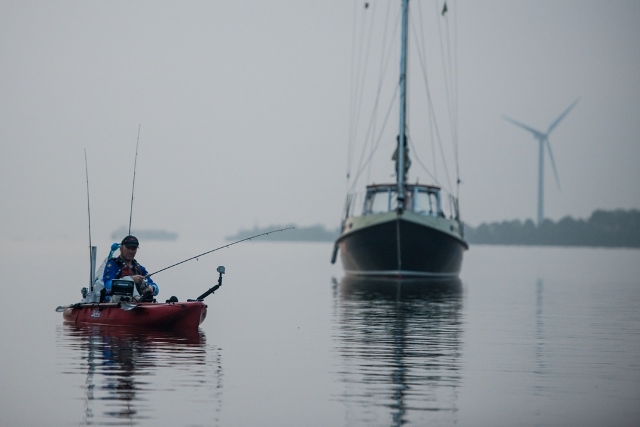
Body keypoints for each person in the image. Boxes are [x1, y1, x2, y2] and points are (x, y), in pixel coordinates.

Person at [102, 235, 159, 302]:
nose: (131, 251)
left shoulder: (139, 268)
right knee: (127, 279)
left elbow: (156, 288)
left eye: (133, 248)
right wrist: (131, 279)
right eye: (128, 248)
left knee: (146, 285)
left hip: (137, 304)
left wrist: (151, 288)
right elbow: (108, 285)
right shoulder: (112, 264)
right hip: (116, 302)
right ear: (121, 248)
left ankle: (141, 302)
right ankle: (137, 299)